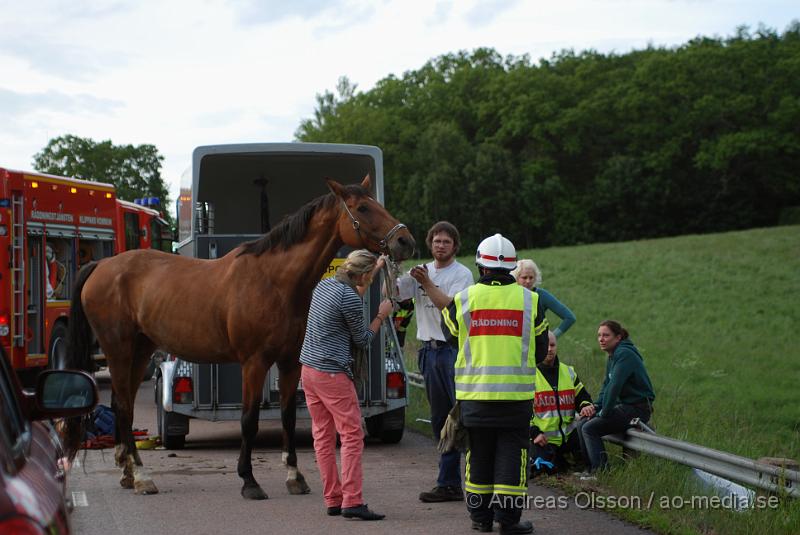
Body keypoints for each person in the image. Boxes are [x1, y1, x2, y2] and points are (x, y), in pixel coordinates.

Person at [441, 233, 548, 535]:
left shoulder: (464, 299)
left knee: (479, 455)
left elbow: (449, 335)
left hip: (475, 396)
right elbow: (541, 352)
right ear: (512, 267)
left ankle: (480, 519)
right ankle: (509, 522)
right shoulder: (531, 300)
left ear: (481, 267)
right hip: (516, 399)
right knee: (512, 456)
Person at [299, 249, 394, 521]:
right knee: (352, 436)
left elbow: (352, 297)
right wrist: (381, 315)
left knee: (323, 436)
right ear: (362, 276)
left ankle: (333, 499)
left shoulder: (325, 284)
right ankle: (353, 500)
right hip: (332, 375)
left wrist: (375, 267)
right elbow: (362, 339)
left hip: (309, 370)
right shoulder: (350, 298)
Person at [396, 221, 474, 503]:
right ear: (430, 244)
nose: (441, 245)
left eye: (446, 242)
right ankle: (449, 483)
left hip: (452, 350)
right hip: (428, 352)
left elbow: (451, 308)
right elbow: (393, 294)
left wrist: (426, 283)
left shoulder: (462, 274)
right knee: (441, 420)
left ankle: (473, 478)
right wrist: (388, 268)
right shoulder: (420, 271)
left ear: (455, 246)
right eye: (437, 241)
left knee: (461, 416)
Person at [578, 320, 655, 474]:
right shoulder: (612, 356)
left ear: (618, 337)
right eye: (599, 335)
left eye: (606, 335)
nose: (601, 339)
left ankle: (601, 472)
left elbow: (614, 387)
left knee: (590, 427)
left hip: (638, 408)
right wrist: (595, 406)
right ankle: (588, 470)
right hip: (625, 407)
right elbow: (606, 386)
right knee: (582, 423)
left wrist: (603, 413)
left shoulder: (625, 354)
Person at [529, 331, 592, 477]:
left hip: (569, 437)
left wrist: (585, 406)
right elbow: (521, 411)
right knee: (541, 471)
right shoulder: (529, 375)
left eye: (552, 345)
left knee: (583, 465)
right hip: (542, 439)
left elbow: (582, 396)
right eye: (545, 346)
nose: (549, 349)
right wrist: (534, 433)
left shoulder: (568, 372)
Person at [511, 259, 575, 338]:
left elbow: (569, 318)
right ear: (516, 278)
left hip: (537, 346)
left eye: (531, 278)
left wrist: (551, 338)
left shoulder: (541, 295)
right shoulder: (510, 295)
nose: (528, 281)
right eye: (524, 278)